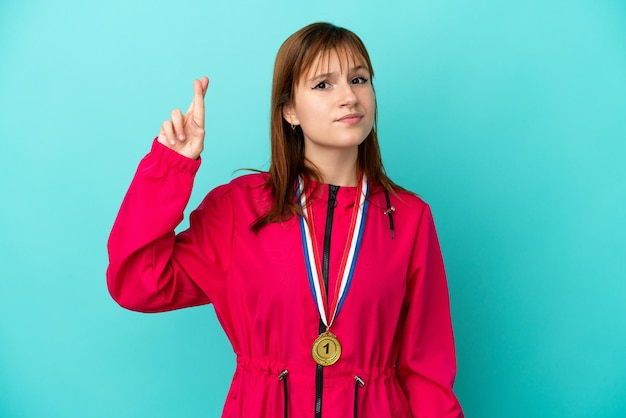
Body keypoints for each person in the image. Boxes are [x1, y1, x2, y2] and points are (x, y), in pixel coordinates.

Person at [107, 22, 463, 418]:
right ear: (289, 110)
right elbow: (138, 282)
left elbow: (427, 368)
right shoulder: (239, 209)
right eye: (323, 84)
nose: (349, 96)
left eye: (359, 79)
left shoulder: (409, 218)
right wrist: (170, 168)